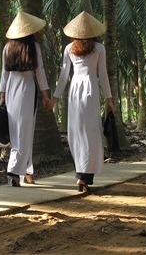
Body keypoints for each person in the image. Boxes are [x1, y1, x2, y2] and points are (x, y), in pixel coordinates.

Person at [50, 11, 114, 194]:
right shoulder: (99, 49)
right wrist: (109, 99)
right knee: (91, 132)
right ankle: (84, 176)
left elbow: (63, 77)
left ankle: (80, 173)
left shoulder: (69, 48)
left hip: (75, 90)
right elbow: (103, 76)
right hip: (91, 90)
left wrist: (55, 98)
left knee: (76, 132)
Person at [0, 11, 52, 187]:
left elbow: (4, 75)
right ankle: (14, 172)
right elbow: (40, 72)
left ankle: (28, 171)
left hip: (11, 91)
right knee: (24, 132)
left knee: (18, 132)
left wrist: (2, 96)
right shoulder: (33, 47)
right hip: (28, 90)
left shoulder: (8, 48)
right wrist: (46, 95)